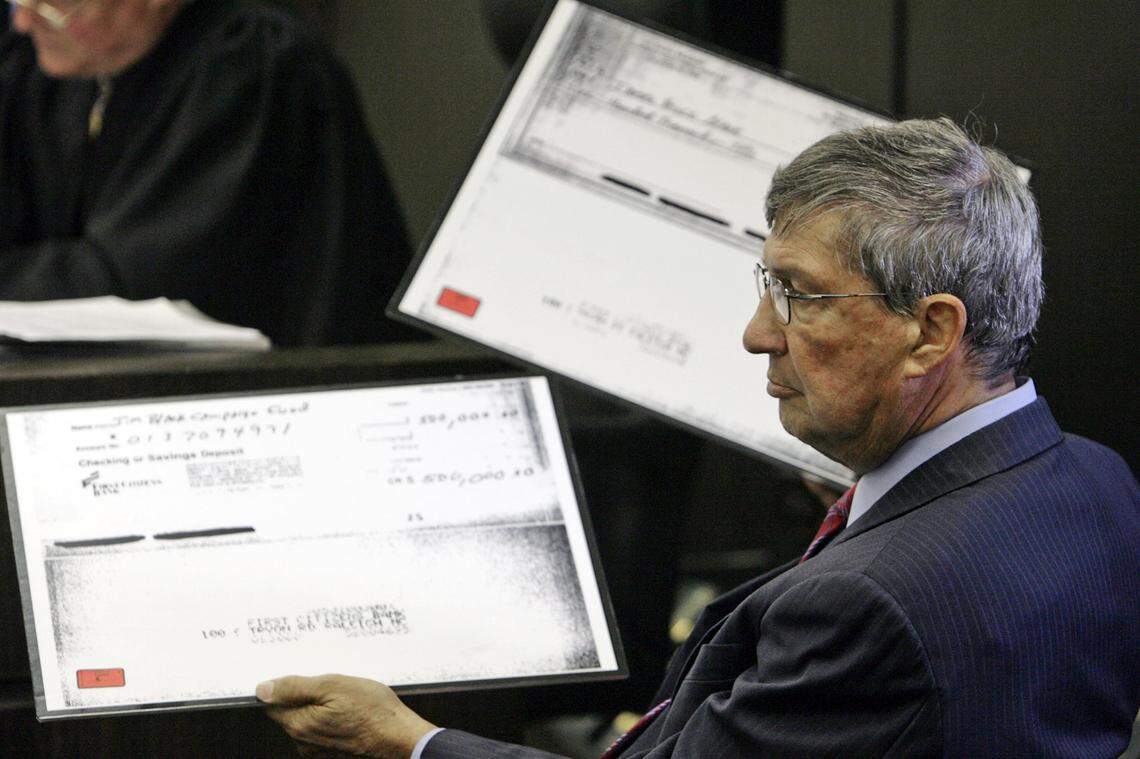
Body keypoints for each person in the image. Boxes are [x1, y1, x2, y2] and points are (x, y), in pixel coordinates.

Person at [256, 118, 1140, 756]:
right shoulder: (1096, 482)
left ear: (932, 332)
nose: (758, 332)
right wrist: (876, 509)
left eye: (801, 294)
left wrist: (410, 744)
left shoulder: (867, 604)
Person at [1, 0, 418, 346]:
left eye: (56, 6)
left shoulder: (252, 61)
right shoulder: (52, 68)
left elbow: (132, 280)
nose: (23, 20)